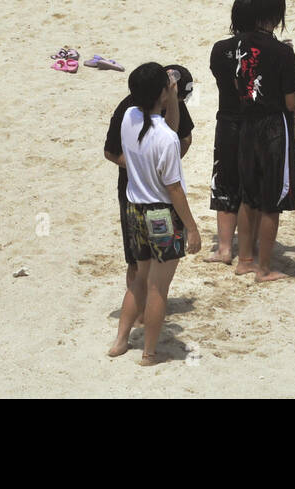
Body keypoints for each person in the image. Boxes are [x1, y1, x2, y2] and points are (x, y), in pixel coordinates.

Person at [107, 63, 201, 364]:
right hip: (161, 214)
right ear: (163, 91)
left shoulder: (128, 116)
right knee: (158, 288)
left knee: (138, 282)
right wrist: (193, 228)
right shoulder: (167, 139)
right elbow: (174, 189)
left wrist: (167, 97)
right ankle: (149, 352)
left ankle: (120, 342)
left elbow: (162, 128)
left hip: (134, 210)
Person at [232, 0, 295, 281]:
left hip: (246, 124)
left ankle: (244, 260)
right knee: (271, 202)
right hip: (273, 129)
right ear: (278, 14)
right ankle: (264, 268)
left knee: (248, 196)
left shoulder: (240, 45)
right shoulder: (281, 51)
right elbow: (292, 101)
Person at [208, 0, 254, 264]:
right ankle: (250, 247)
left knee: (224, 181)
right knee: (253, 184)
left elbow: (221, 78)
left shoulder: (219, 48)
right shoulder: (266, 48)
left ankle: (224, 248)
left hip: (227, 120)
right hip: (255, 122)